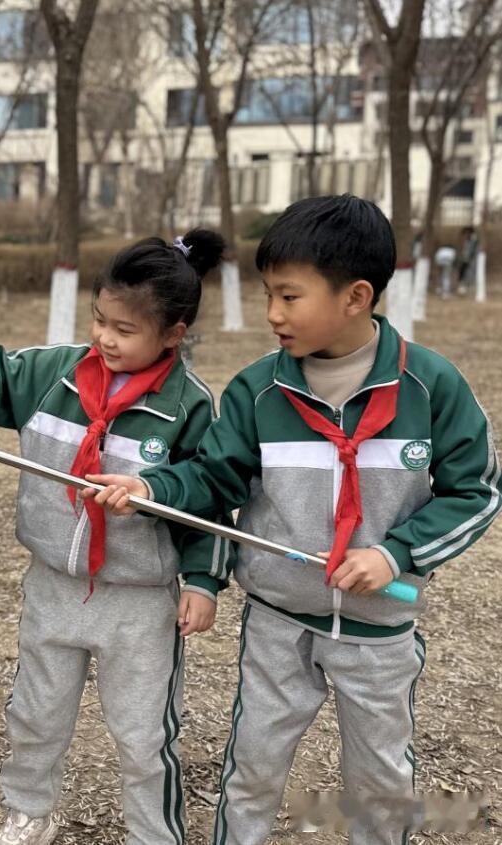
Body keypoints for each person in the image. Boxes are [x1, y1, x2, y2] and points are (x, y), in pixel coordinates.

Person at [89, 195, 500, 845]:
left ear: (355, 296)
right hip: (276, 622)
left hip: (379, 634)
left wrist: (394, 554)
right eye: (267, 295)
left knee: (379, 781)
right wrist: (150, 484)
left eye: (288, 296)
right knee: (250, 768)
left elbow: (472, 492)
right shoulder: (257, 389)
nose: (272, 314)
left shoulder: (430, 387)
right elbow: (212, 476)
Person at [0, 230, 234, 845]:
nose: (105, 338)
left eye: (125, 330)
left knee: (144, 733)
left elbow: (210, 495)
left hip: (138, 602)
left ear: (174, 333)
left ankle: (153, 832)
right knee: (35, 717)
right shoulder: (56, 374)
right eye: (99, 320)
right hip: (52, 587)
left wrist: (206, 580)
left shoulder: (190, 406)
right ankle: (30, 813)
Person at [456, 225, 478, 296]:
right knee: (463, 273)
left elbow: (471, 251)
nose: (465, 235)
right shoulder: (469, 240)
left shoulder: (473, 239)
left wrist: (467, 259)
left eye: (466, 233)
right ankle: (464, 288)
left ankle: (469, 288)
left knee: (469, 274)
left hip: (470, 260)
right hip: (466, 259)